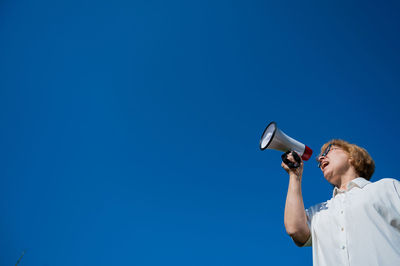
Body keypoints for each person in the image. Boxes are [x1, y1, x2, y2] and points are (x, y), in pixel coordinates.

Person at [282, 139, 400, 266]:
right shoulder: (319, 212)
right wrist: (295, 175)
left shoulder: (386, 187)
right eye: (319, 160)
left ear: (352, 156)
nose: (321, 158)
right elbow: (295, 229)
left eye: (329, 150)